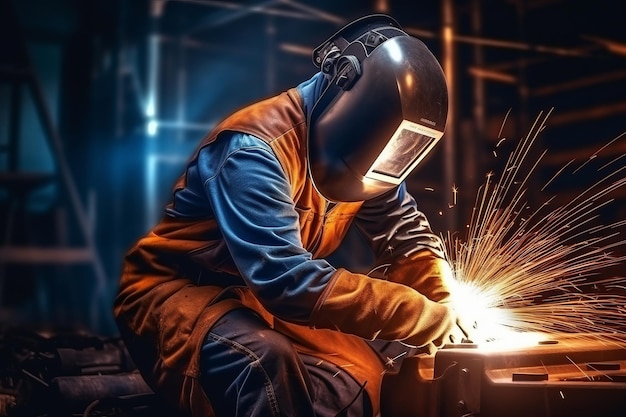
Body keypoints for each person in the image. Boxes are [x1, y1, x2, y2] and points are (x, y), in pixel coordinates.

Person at [114, 14, 465, 417]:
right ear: (344, 97)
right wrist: (418, 313)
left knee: (364, 366)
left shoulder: (373, 151)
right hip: (179, 295)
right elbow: (285, 281)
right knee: (265, 359)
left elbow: (406, 236)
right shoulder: (252, 152)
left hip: (259, 305)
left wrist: (440, 294)